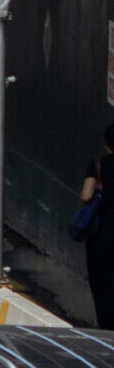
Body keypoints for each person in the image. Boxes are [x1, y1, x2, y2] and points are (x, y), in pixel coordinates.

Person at [82, 125, 114, 325]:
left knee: (101, 282)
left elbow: (86, 195)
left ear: (106, 144)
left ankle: (106, 326)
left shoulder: (98, 164)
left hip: (102, 234)